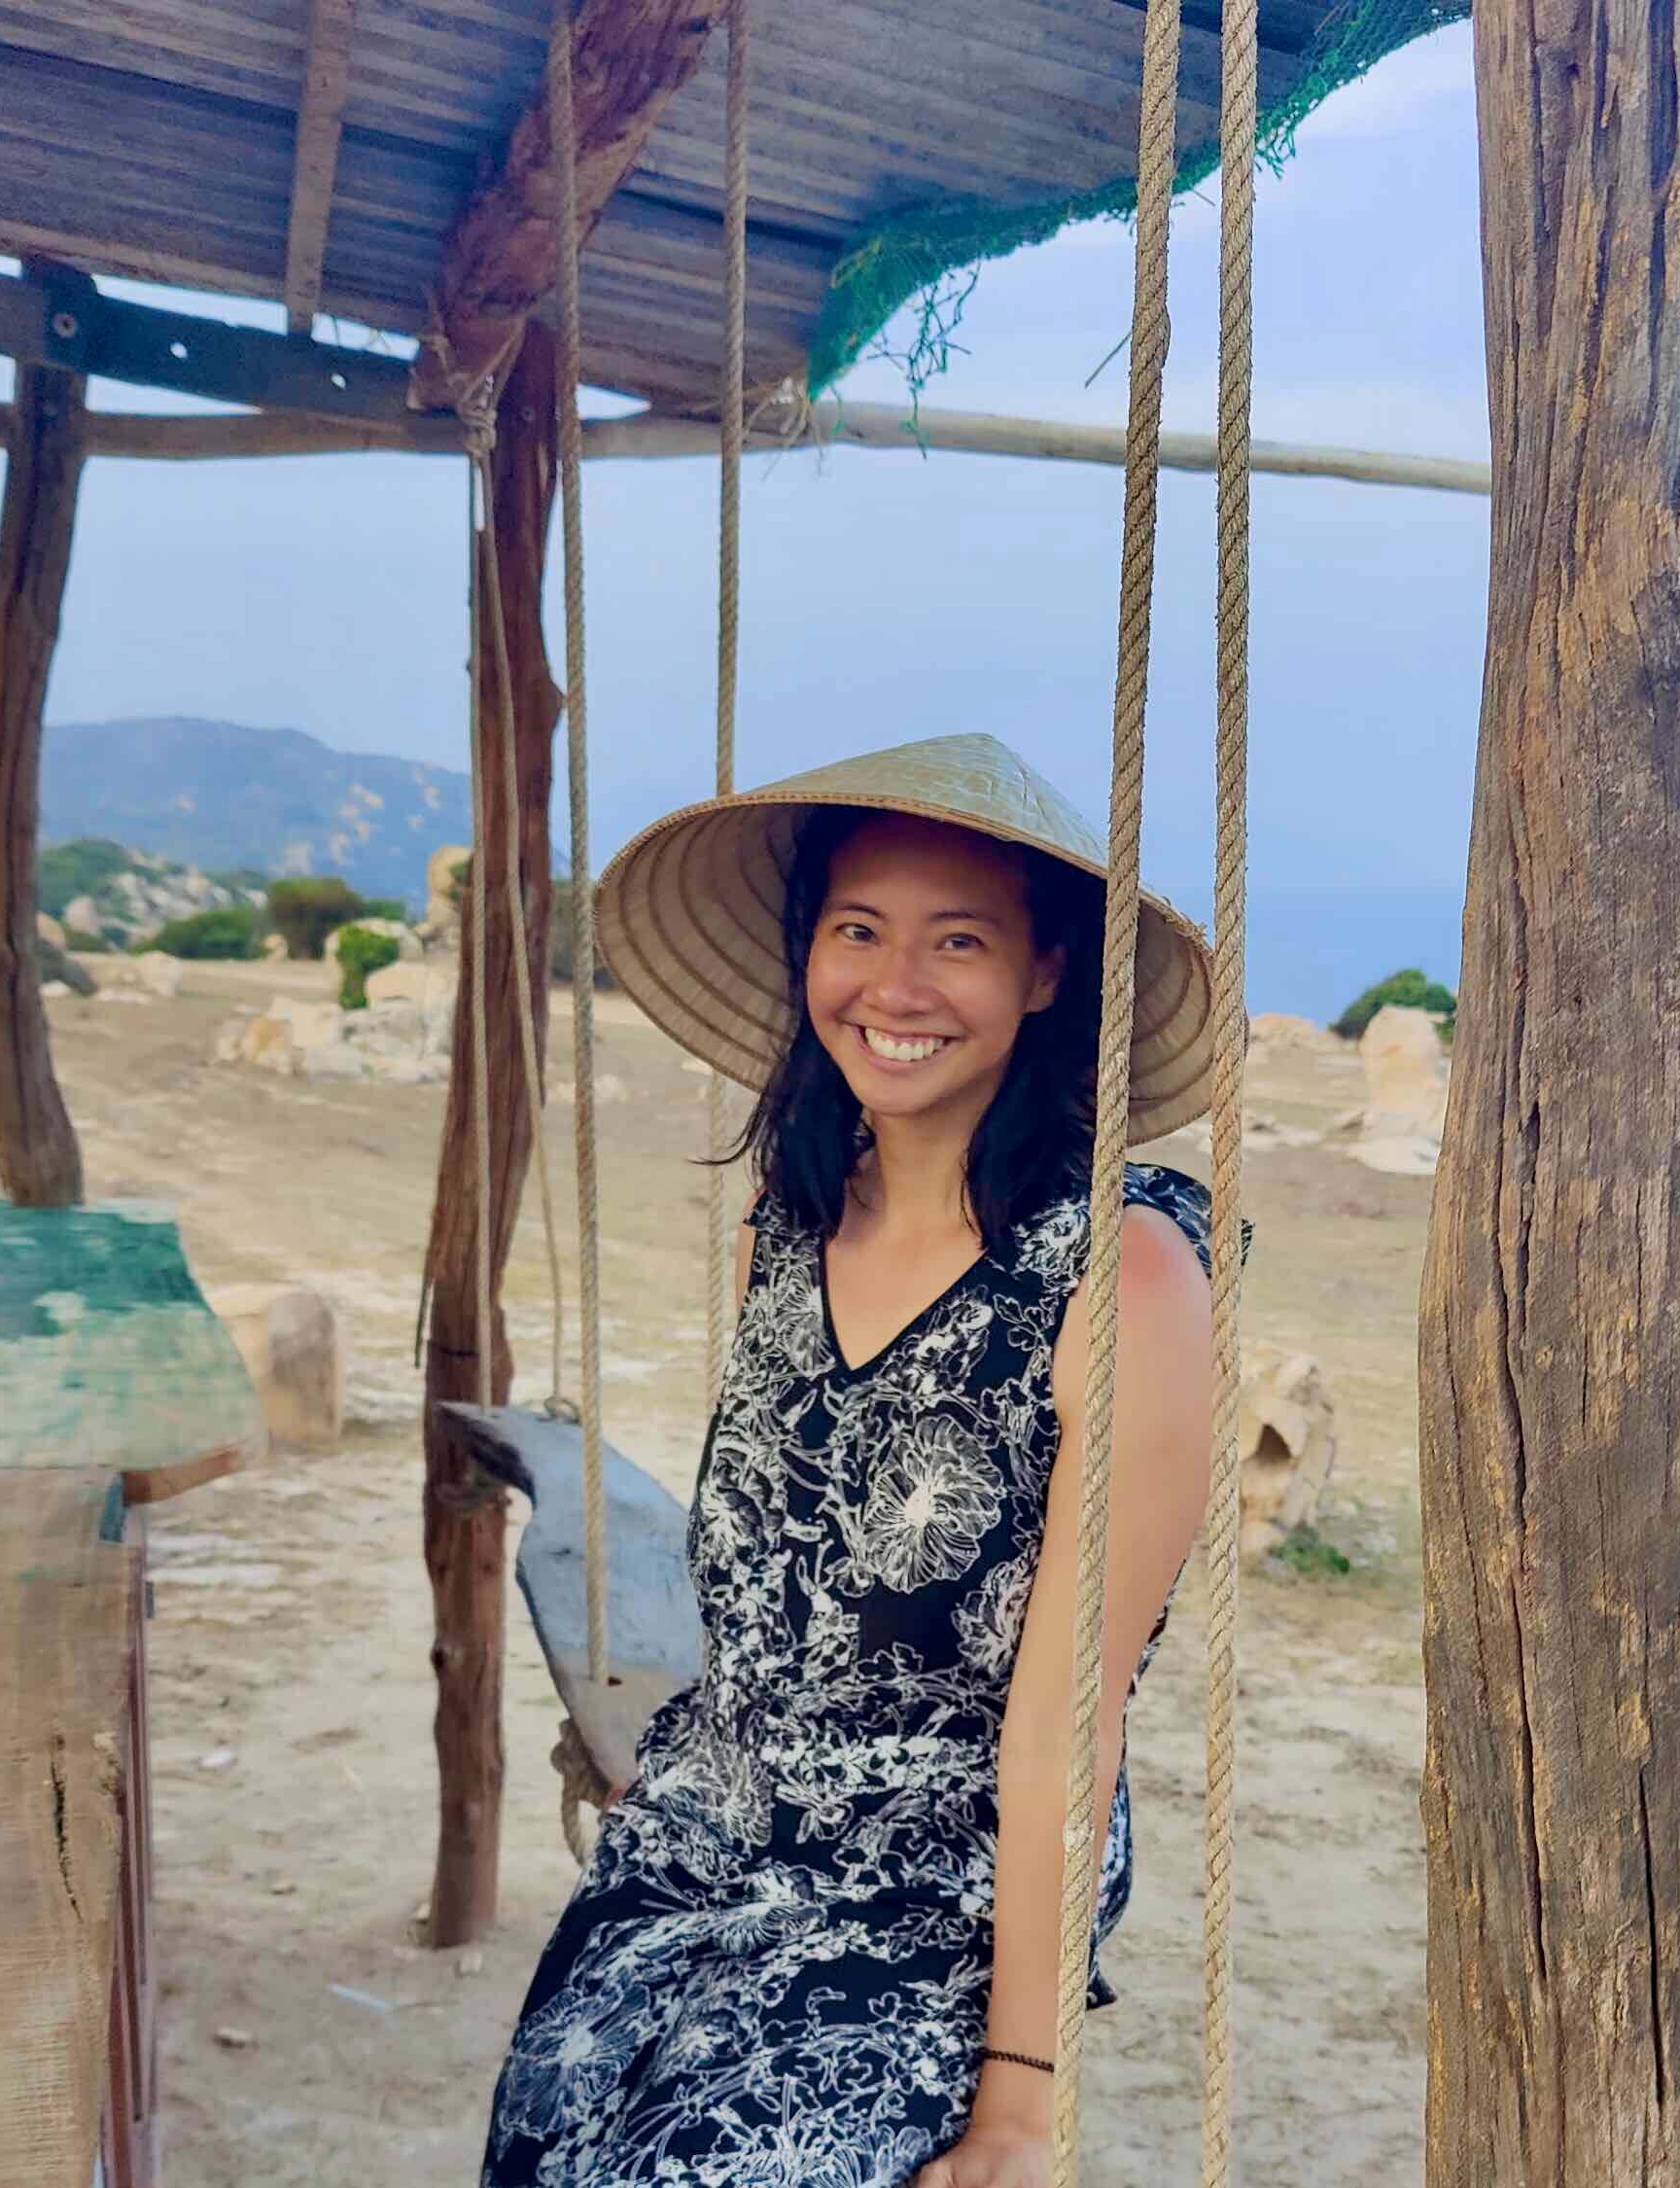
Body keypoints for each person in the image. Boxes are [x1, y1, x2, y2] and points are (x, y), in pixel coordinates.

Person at [480, 732, 1234, 2188]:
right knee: (544, 2140)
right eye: (858, 930)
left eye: (958, 939)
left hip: (928, 1897)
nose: (895, 987)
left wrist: (1020, 2099)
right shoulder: (792, 1218)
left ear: (1045, 973)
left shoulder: (1123, 1275)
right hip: (706, 1835)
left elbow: (1063, 1724)